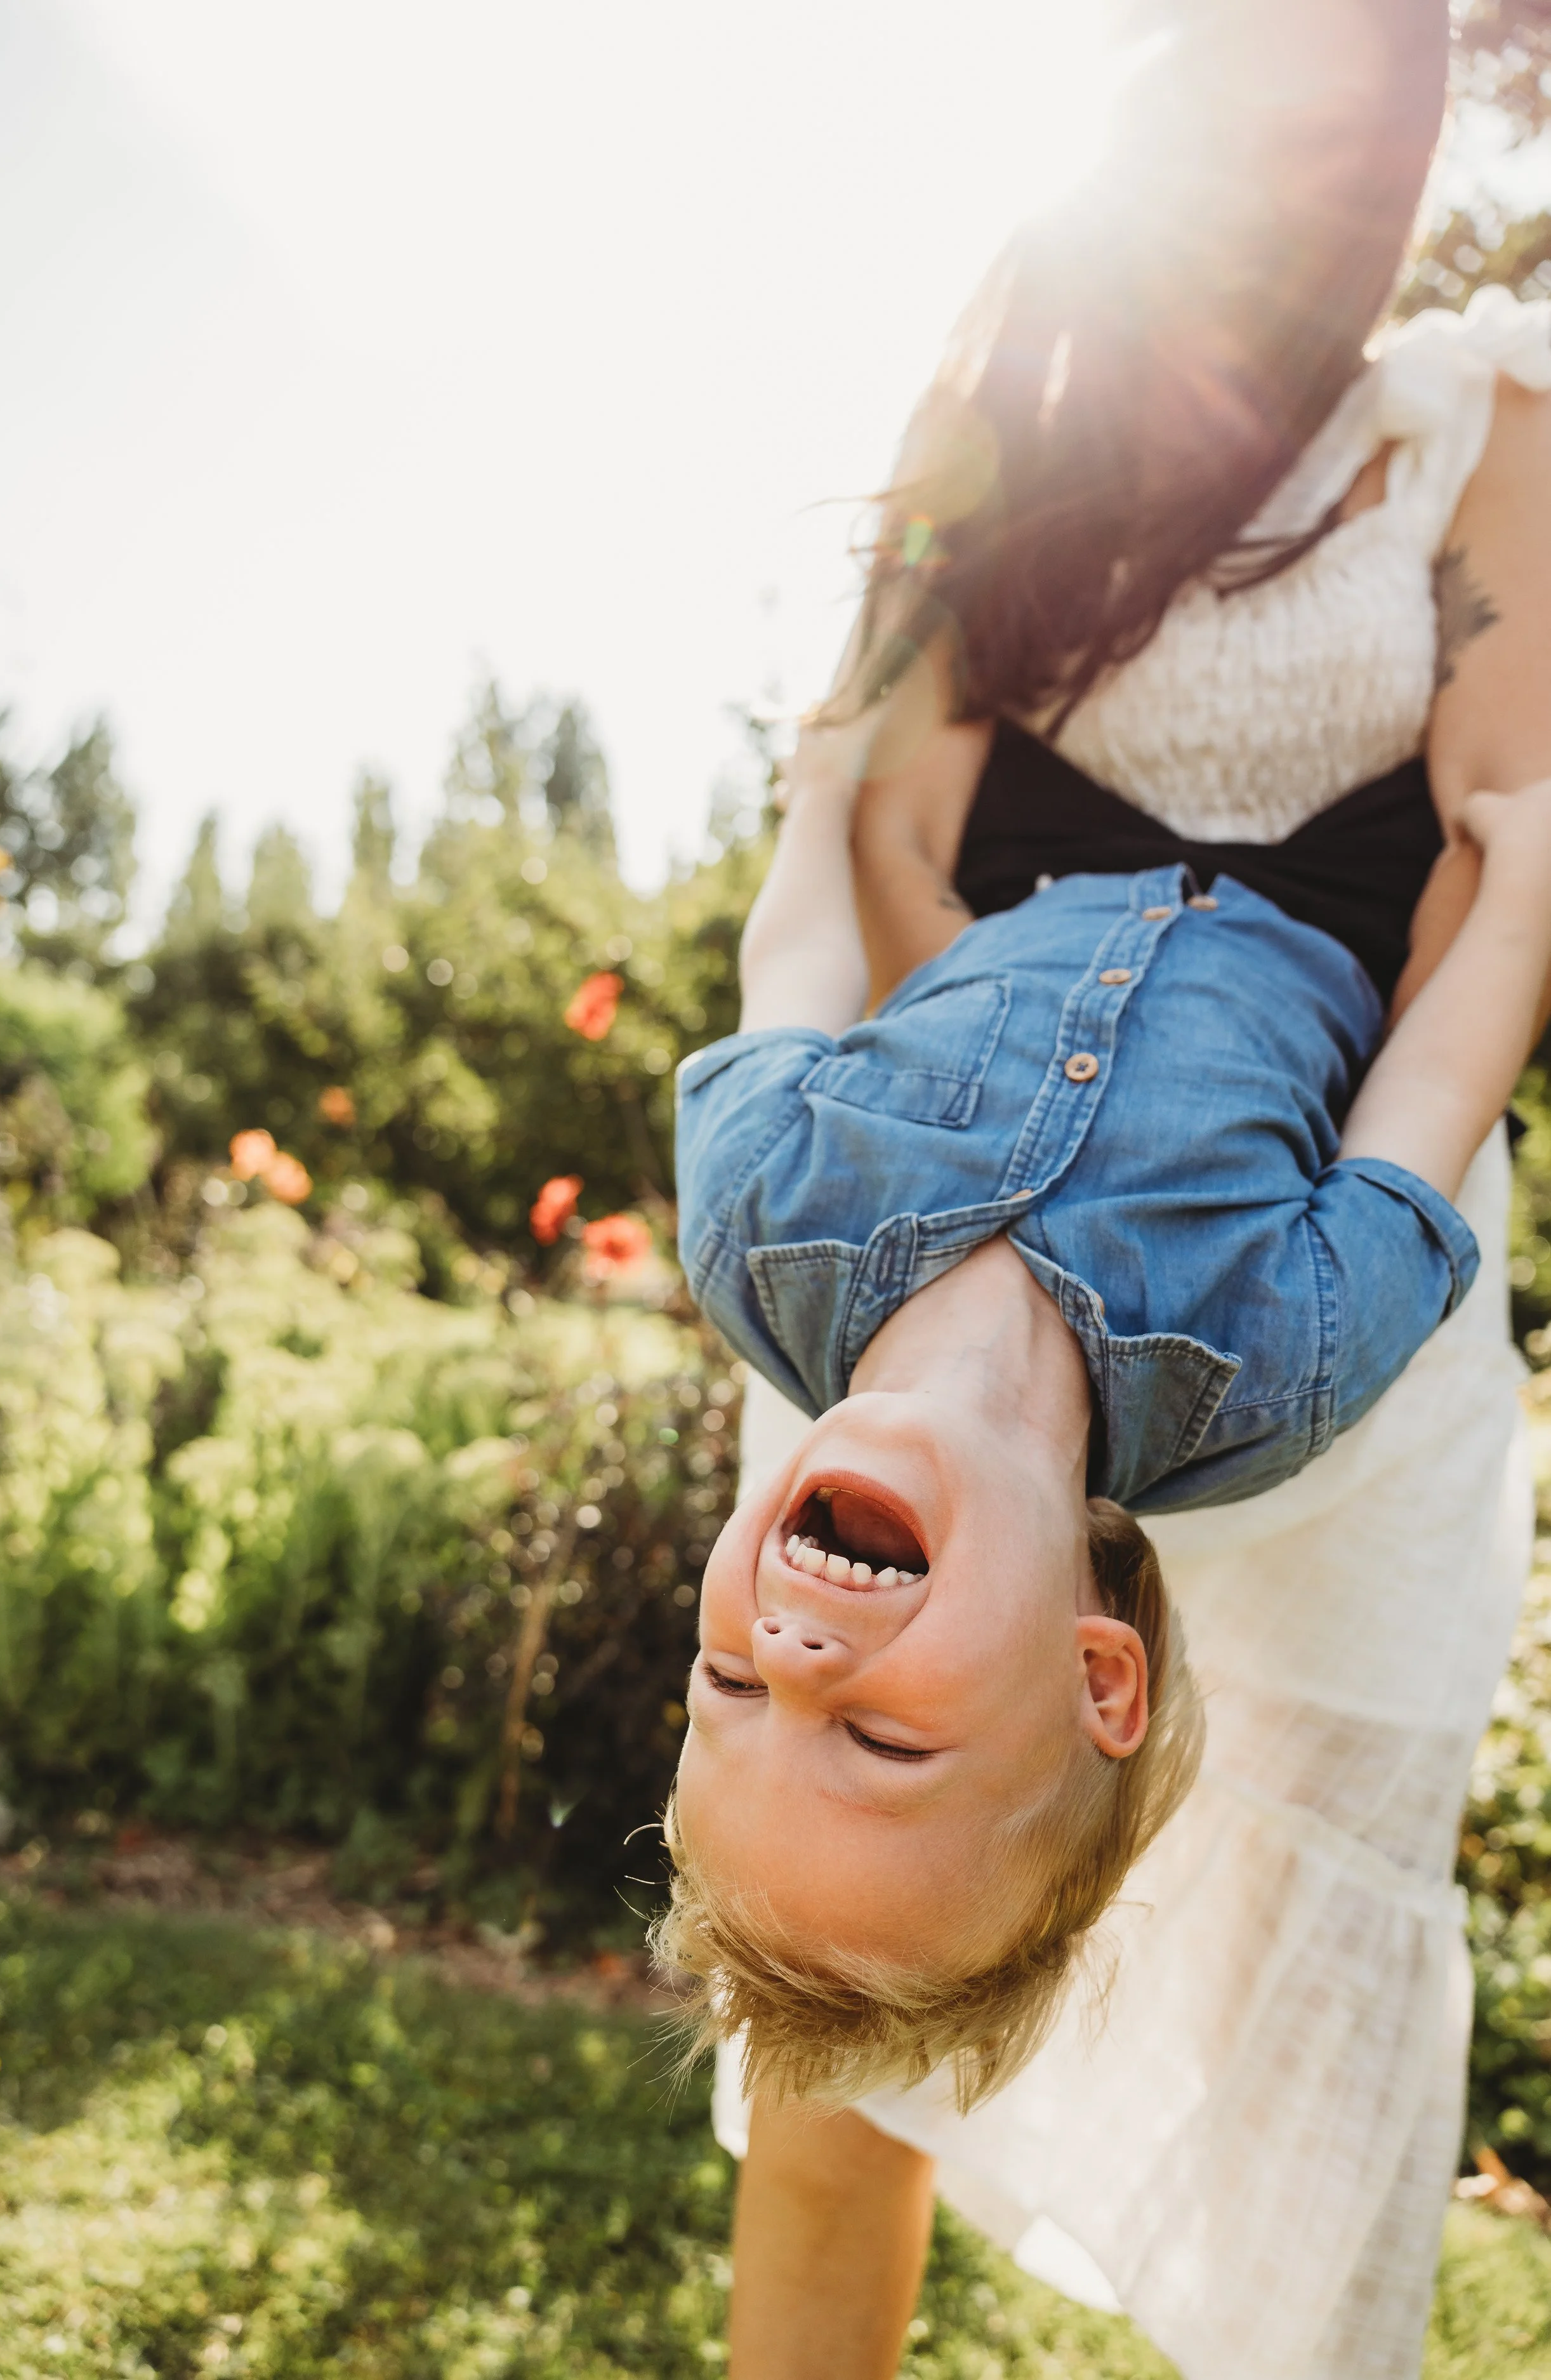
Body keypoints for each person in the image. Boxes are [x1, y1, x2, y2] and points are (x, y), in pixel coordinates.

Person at [662, 1, 1551, 2374]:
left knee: (1289, 2022)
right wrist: (1157, 1065)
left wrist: (998, 1083)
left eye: (734, 1680)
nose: (801, 1653)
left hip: (1257, 1380)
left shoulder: (1481, 433)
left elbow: (1495, 854)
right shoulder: (1004, 436)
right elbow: (874, 815)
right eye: (863, 1716)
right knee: (863, 2022)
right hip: (1276, 1276)